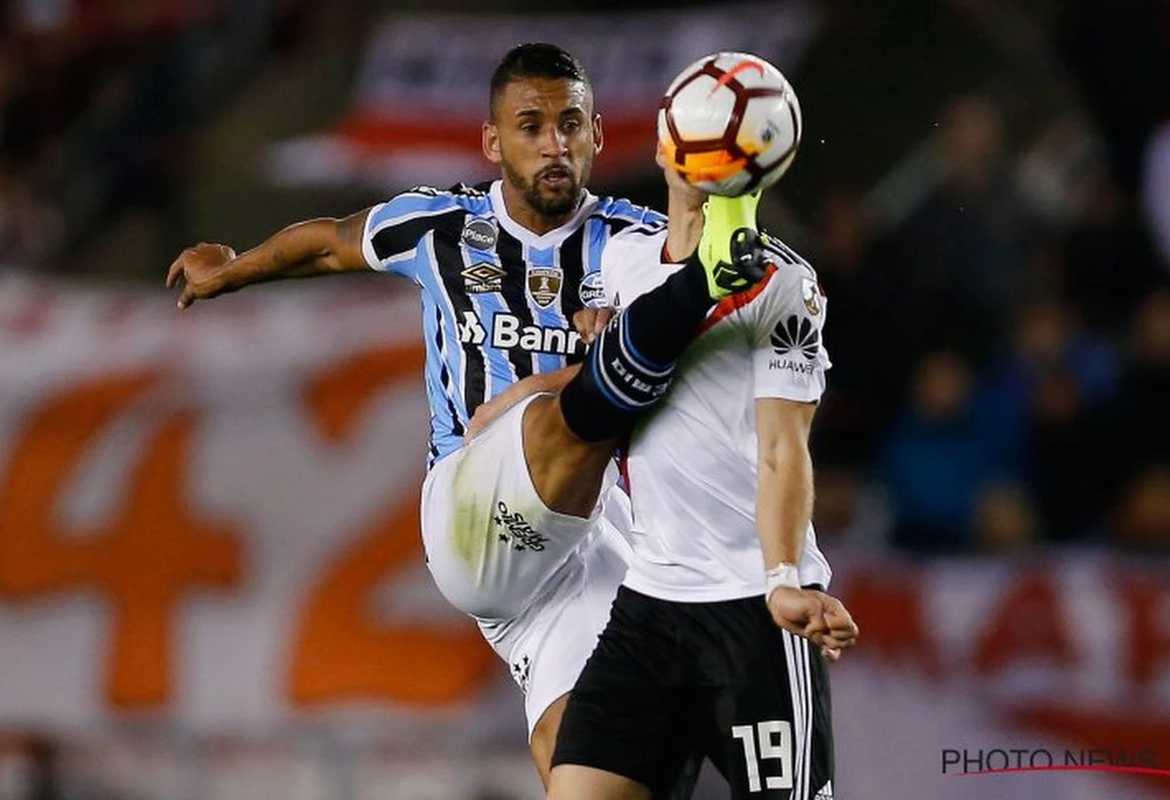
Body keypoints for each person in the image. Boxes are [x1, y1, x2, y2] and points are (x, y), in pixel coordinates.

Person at [165, 43, 779, 785]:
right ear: (494, 142)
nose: (555, 144)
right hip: (472, 512)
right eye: (531, 126)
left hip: (591, 549)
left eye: (571, 124)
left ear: (597, 136)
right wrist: (231, 268)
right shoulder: (438, 226)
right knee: (549, 418)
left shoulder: (632, 242)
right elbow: (325, 246)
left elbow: (715, 349)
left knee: (589, 757)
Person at [541, 175, 858, 799]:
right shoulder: (620, 263)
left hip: (754, 607)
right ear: (667, 145)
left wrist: (784, 576)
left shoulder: (783, 281)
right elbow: (599, 384)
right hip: (649, 603)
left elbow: (783, 447)